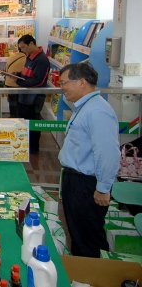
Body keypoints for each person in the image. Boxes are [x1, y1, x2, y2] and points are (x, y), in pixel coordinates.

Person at [58, 62, 119, 258]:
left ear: (82, 82)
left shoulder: (98, 111)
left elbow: (107, 152)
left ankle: (95, 277)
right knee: (78, 234)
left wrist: (103, 187)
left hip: (86, 184)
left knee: (89, 239)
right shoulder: (84, 107)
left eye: (64, 83)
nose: (62, 88)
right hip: (75, 180)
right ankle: (82, 275)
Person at [9, 35, 50, 153]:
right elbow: (27, 73)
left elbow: (39, 81)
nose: (22, 50)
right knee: (23, 119)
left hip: (34, 97)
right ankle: (23, 146)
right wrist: (18, 75)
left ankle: (33, 148)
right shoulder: (30, 57)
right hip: (25, 95)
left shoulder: (41, 60)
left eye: (23, 47)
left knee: (33, 121)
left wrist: (20, 81)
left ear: (31, 43)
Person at [4, 49, 27, 118]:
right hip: (17, 84)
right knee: (19, 104)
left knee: (12, 103)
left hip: (8, 83)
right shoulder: (25, 58)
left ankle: (12, 117)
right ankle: (18, 119)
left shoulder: (12, 56)